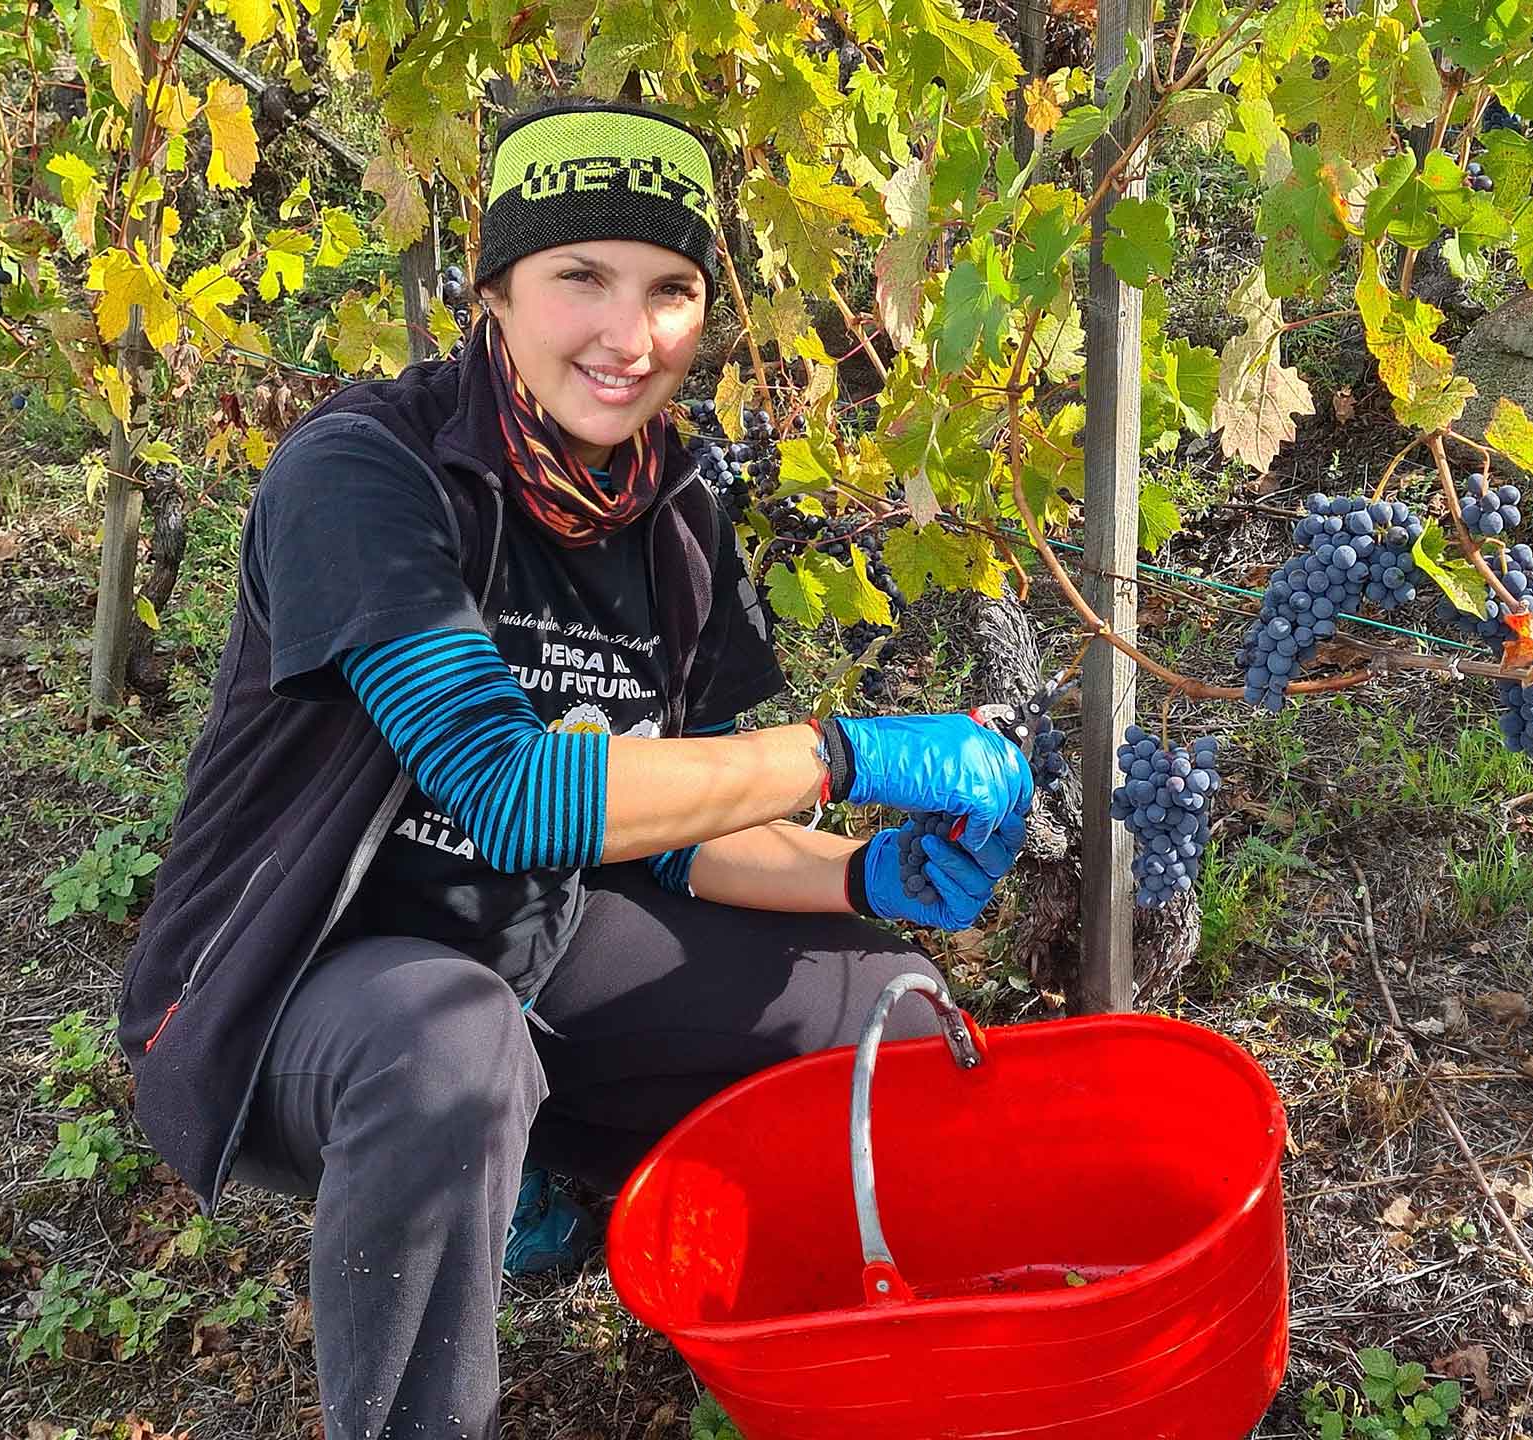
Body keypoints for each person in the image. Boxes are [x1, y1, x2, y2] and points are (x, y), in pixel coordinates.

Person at [115, 98, 1034, 1440]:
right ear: (494, 293)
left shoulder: (675, 507)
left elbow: (675, 813)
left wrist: (863, 871)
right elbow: (509, 791)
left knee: (877, 1014)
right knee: (451, 1047)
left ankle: (790, 1343)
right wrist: (839, 753)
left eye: (670, 290)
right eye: (581, 277)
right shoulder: (365, 472)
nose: (629, 335)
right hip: (295, 983)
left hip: (529, 943)